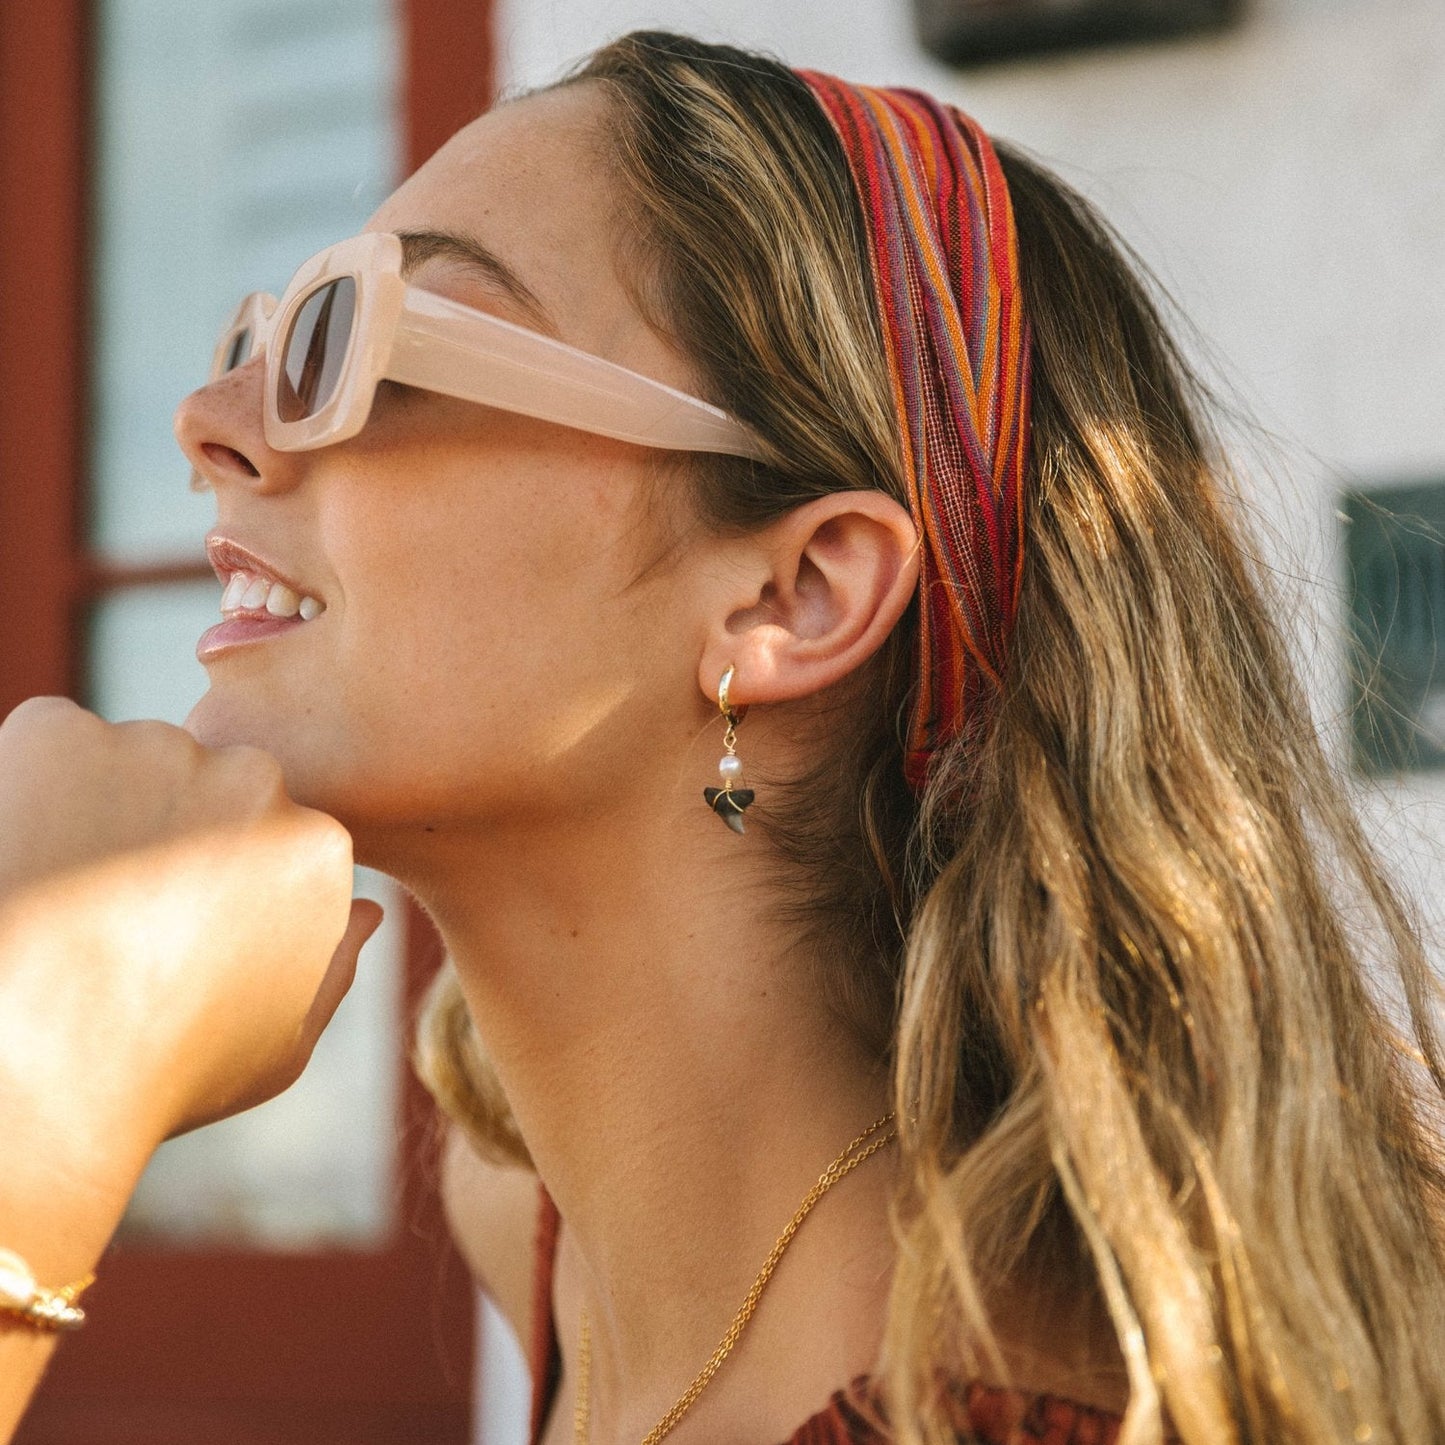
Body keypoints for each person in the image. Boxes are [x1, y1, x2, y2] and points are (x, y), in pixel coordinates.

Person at [1, 29, 1443, 1445]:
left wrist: (44, 1094)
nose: (210, 422)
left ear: (793, 595)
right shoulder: (538, 1225)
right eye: (255, 337)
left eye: (355, 338)